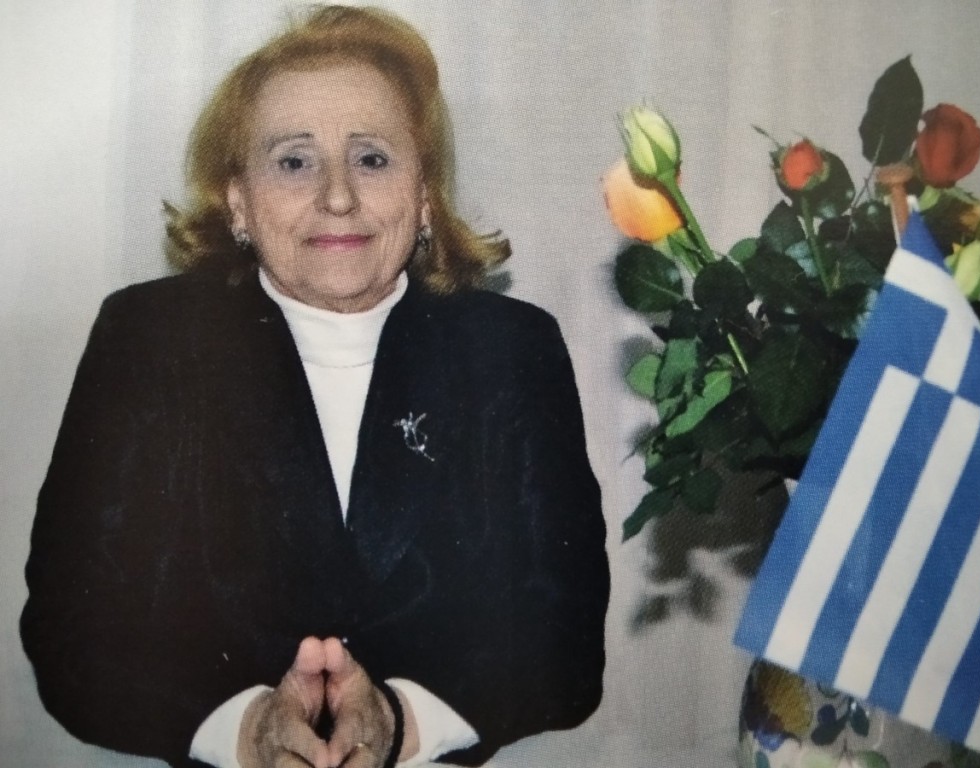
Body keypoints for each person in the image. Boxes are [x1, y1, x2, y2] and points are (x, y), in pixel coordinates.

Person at [20, 6, 609, 768]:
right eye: (294, 162)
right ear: (238, 200)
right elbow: (71, 630)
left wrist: (398, 720)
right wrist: (246, 730)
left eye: (372, 159)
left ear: (424, 195)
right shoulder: (147, 341)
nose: (337, 196)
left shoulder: (511, 350)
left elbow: (566, 641)